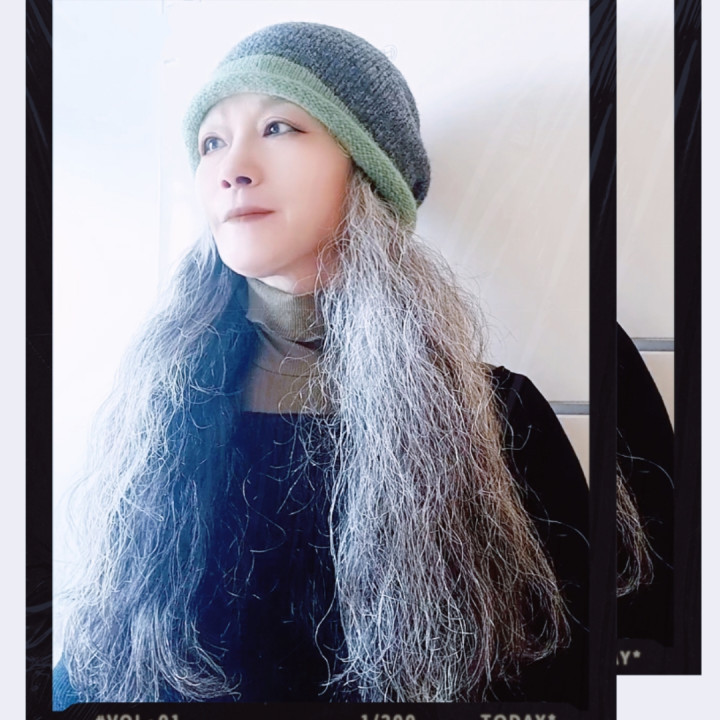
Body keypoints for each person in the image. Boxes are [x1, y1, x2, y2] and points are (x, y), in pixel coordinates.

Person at [53, 22, 589, 708]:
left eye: (279, 127)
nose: (231, 167)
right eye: (211, 141)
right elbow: (97, 669)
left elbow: (561, 674)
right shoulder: (156, 410)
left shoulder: (497, 421)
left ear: (369, 170)